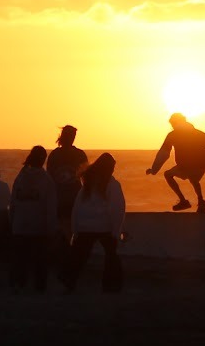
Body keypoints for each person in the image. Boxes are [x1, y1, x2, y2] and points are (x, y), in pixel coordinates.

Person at [62, 152, 125, 293]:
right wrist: (116, 231)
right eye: (113, 167)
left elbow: (77, 207)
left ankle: (68, 280)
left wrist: (75, 228)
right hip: (105, 227)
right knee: (111, 256)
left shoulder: (88, 184)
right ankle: (111, 286)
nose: (113, 169)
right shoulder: (113, 185)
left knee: (79, 256)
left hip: (85, 226)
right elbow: (117, 209)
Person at [148, 112, 205, 212]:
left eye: (172, 123)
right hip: (202, 164)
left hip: (186, 164)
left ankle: (183, 201)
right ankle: (201, 202)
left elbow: (163, 154)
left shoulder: (173, 135)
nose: (172, 126)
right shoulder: (198, 133)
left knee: (168, 174)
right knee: (194, 180)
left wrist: (154, 169)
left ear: (175, 123)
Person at [9, 145, 57, 291]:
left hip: (20, 226)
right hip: (39, 228)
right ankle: (39, 287)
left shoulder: (20, 177)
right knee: (40, 259)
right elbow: (51, 207)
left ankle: (19, 285)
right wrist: (51, 229)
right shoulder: (46, 180)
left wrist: (12, 223)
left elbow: (13, 203)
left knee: (20, 259)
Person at [47, 125, 88, 240]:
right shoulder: (55, 155)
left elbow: (87, 178)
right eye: (71, 135)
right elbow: (50, 178)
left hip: (74, 199)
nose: (72, 138)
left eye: (74, 136)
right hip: (60, 201)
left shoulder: (79, 155)